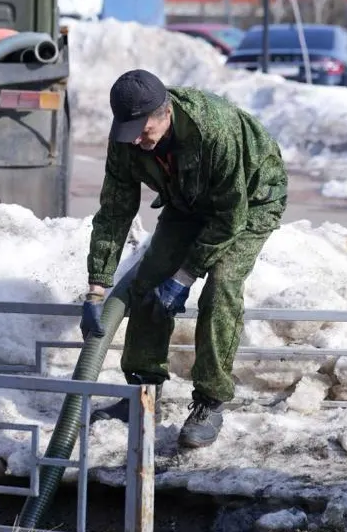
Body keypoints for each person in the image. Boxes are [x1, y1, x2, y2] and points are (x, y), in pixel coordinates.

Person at [80, 68, 287, 449]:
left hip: (251, 202)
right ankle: (143, 392)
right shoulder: (126, 138)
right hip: (185, 200)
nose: (139, 141)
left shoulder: (215, 130)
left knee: (221, 287)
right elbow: (114, 210)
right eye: (131, 133)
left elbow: (230, 217)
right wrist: (96, 286)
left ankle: (210, 401)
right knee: (147, 281)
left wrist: (185, 276)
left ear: (166, 112)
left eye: (145, 131)